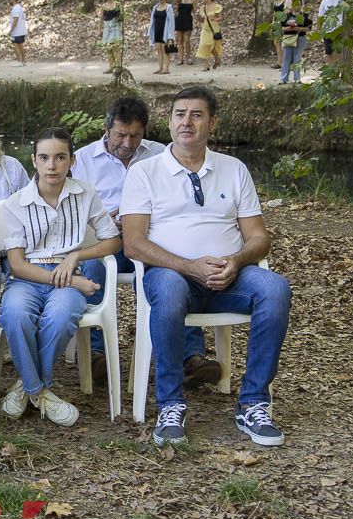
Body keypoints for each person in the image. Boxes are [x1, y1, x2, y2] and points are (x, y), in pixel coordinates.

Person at [121, 86, 292, 447]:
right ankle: (170, 404)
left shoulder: (233, 169)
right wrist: (189, 266)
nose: (187, 122)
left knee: (275, 288)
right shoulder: (144, 172)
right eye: (179, 114)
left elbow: (259, 238)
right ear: (169, 122)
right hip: (172, 276)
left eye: (196, 115)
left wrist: (236, 260)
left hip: (231, 277)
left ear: (212, 123)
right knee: (167, 289)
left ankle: (254, 403)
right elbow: (133, 243)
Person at [0, 128, 120, 425]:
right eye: (45, 158)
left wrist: (77, 256)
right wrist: (73, 281)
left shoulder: (85, 193)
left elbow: (113, 240)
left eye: (60, 157)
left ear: (72, 160)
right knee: (15, 314)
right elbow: (16, 265)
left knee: (62, 315)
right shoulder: (15, 204)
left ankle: (27, 387)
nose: (52, 165)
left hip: (67, 273)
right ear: (34, 161)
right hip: (27, 278)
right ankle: (40, 390)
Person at [71, 97, 182, 385]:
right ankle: (96, 353)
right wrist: (105, 218)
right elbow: (74, 210)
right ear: (107, 129)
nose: (128, 142)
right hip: (105, 237)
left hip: (151, 237)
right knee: (93, 267)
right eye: (121, 134)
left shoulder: (160, 154)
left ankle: (185, 354)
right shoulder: (84, 159)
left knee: (174, 273)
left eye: (135, 135)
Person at [279, 0, 312, 85]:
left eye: (298, 4)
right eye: (295, 4)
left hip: (300, 38)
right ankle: (283, 78)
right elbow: (281, 27)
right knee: (286, 58)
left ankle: (297, 78)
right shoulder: (286, 16)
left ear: (301, 5)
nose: (296, 6)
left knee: (297, 58)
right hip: (288, 38)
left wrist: (298, 29)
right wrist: (288, 28)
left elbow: (308, 28)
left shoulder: (305, 16)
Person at [149, 0, 176, 75]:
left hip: (165, 31)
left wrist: (170, 36)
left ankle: (166, 68)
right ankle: (160, 68)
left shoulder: (169, 8)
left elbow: (171, 22)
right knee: (159, 49)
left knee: (165, 50)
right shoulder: (155, 7)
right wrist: (150, 32)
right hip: (157, 30)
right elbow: (152, 21)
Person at [318, 0, 344, 66]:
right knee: (329, 53)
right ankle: (331, 73)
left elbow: (346, 14)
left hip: (338, 30)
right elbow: (320, 15)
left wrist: (343, 29)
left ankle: (338, 74)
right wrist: (320, 29)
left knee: (338, 53)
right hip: (327, 31)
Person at [195, 0, 223, 70]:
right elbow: (202, 20)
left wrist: (215, 19)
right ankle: (206, 65)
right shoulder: (202, 8)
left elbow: (221, 18)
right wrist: (198, 18)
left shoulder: (217, 6)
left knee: (213, 46)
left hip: (214, 28)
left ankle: (217, 59)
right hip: (205, 28)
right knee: (204, 45)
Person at [100, 0, 123, 72]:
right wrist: (99, 29)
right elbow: (101, 18)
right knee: (108, 48)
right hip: (107, 27)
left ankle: (118, 66)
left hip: (116, 26)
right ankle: (111, 66)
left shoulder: (118, 4)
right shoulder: (103, 6)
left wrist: (123, 27)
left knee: (116, 47)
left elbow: (122, 16)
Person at [174, 0, 195, 66]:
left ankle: (188, 57)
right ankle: (180, 59)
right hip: (179, 19)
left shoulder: (192, 0)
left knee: (187, 39)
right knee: (179, 40)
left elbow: (194, 10)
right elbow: (175, 1)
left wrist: (196, 20)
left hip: (188, 19)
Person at [8, 0, 28, 65]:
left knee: (16, 45)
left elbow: (15, 19)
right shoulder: (19, 7)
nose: (9, 1)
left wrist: (11, 29)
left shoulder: (16, 8)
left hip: (17, 31)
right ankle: (24, 60)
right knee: (20, 45)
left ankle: (19, 61)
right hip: (21, 30)